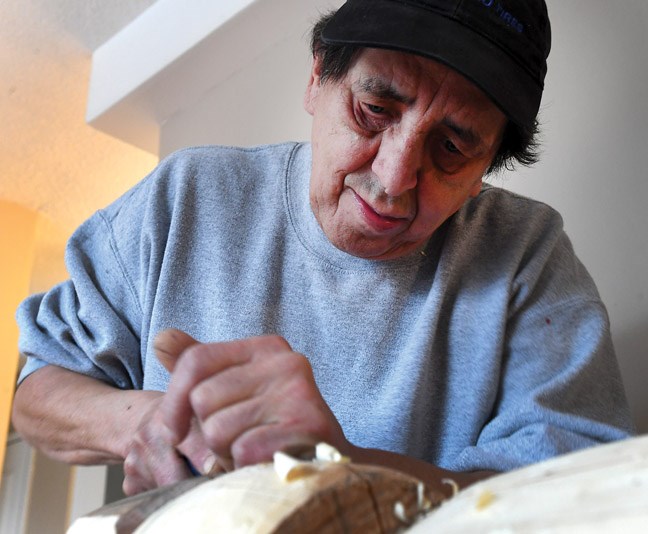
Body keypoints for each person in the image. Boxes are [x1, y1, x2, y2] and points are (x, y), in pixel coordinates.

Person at [12, 0, 634, 498]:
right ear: (317, 78)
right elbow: (37, 392)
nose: (393, 179)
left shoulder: (528, 256)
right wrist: (141, 422)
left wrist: (342, 471)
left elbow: (572, 496)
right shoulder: (189, 196)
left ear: (486, 169)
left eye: (451, 149)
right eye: (374, 110)